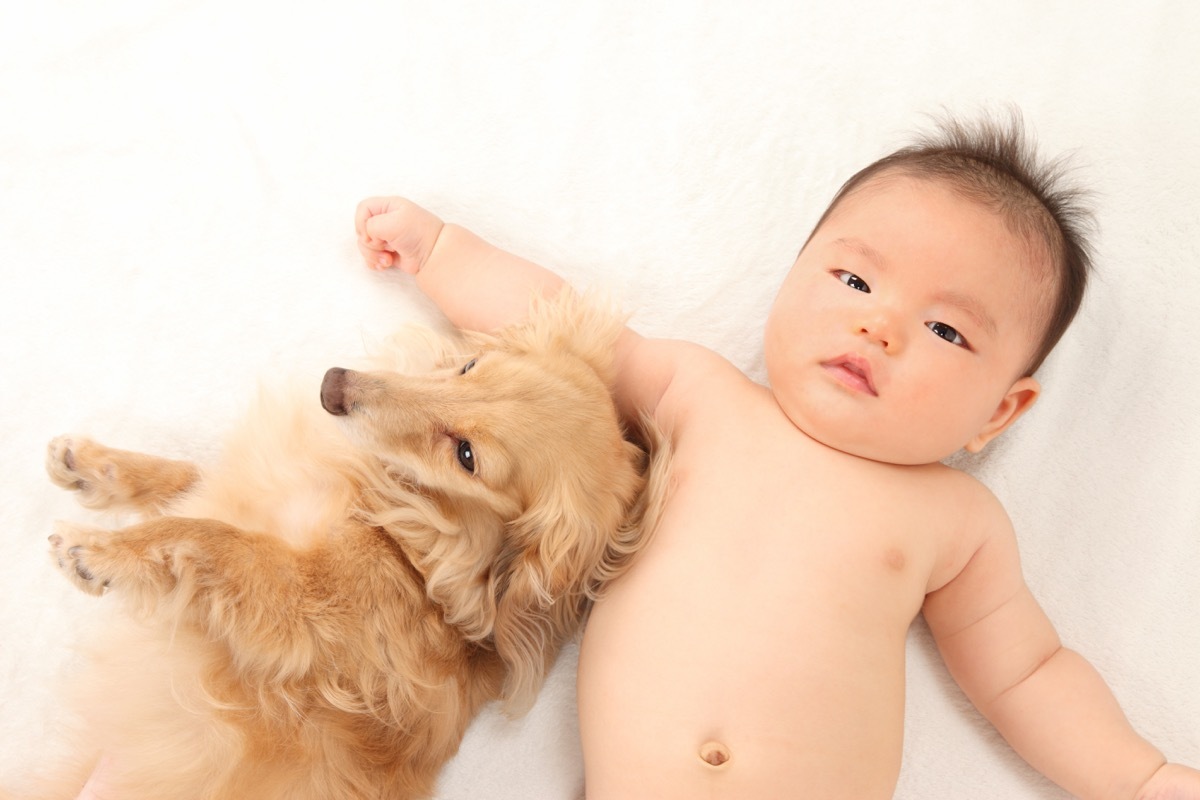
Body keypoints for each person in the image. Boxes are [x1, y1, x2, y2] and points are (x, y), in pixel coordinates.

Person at [356, 114, 1200, 800]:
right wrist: (443, 254)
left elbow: (1028, 672)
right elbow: (562, 328)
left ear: (998, 412)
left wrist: (1138, 778)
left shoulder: (956, 521)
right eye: (855, 281)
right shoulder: (699, 395)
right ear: (792, 276)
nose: (879, 326)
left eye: (946, 329)